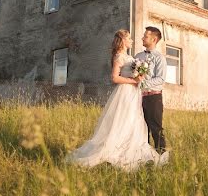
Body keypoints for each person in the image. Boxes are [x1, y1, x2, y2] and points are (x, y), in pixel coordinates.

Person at [66, 29, 165, 170]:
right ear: (123, 40)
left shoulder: (137, 57)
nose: (133, 40)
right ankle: (118, 149)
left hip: (140, 94)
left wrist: (139, 80)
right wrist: (135, 81)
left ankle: (147, 150)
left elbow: (158, 78)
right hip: (126, 93)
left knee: (139, 123)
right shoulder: (123, 56)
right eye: (129, 38)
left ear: (154, 39)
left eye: (145, 36)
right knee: (123, 121)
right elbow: (114, 78)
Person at [133, 26, 168, 160]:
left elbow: (161, 78)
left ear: (153, 39)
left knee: (156, 128)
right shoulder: (138, 57)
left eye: (145, 36)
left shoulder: (160, 58)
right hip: (138, 98)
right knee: (141, 128)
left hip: (154, 97)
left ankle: (162, 157)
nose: (142, 38)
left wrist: (142, 83)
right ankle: (145, 157)